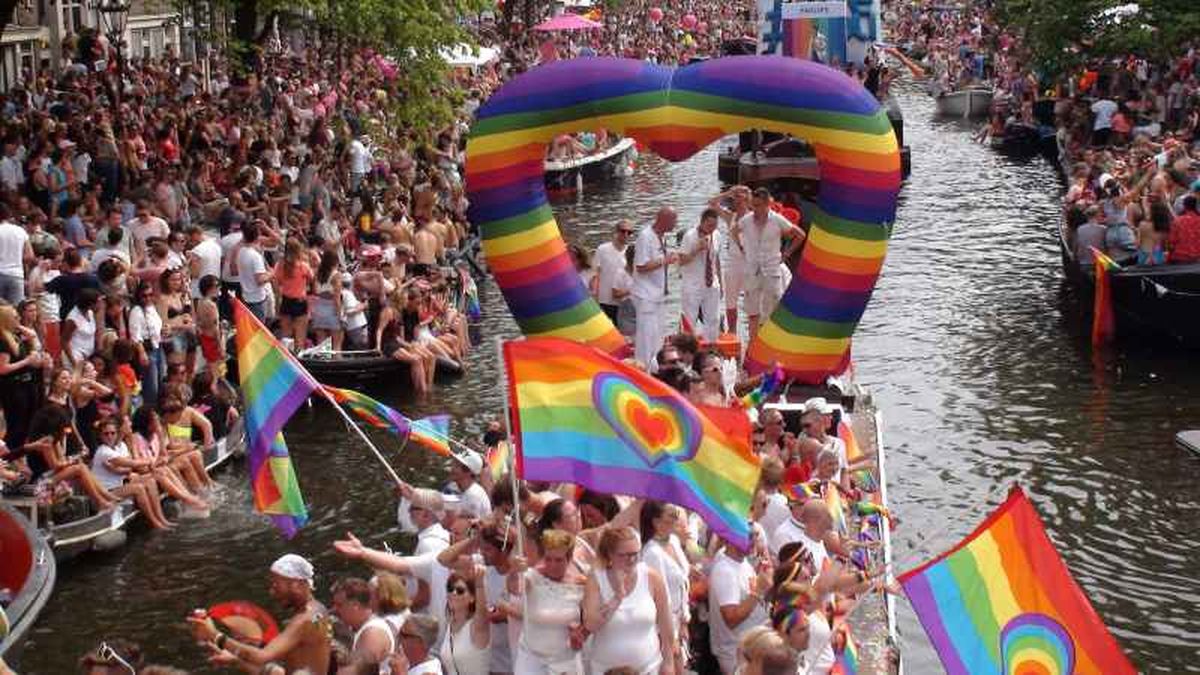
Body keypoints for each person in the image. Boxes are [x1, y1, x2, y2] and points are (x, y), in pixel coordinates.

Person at [188, 553, 333, 674]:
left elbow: (261, 657)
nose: (272, 592)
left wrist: (214, 635)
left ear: (295, 585)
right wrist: (235, 660)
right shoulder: (318, 610)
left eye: (276, 586)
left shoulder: (303, 621)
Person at [583, 526, 675, 675]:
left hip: (649, 667)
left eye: (635, 554)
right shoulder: (596, 579)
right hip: (606, 669)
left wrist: (669, 662)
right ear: (609, 555)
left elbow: (666, 626)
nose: (631, 560)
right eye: (624, 555)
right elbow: (590, 625)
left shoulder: (652, 577)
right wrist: (618, 597)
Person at [507, 529, 587, 675]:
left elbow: (588, 618)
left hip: (566, 661)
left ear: (569, 558)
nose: (552, 565)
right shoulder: (532, 577)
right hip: (531, 659)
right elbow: (515, 589)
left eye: (558, 560)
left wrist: (582, 631)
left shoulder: (581, 583)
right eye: (548, 559)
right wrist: (513, 571)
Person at [739, 188, 805, 341]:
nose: (756, 209)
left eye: (759, 205)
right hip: (752, 270)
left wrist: (787, 253)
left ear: (767, 204)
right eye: (753, 205)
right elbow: (734, 231)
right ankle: (753, 346)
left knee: (773, 309)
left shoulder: (777, 219)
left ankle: (772, 342)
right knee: (753, 312)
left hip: (772, 268)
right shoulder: (747, 220)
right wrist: (743, 247)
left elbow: (800, 234)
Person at [90, 416, 174, 530]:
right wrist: (150, 461)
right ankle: (155, 522)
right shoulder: (103, 451)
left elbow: (128, 468)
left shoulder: (117, 447)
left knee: (150, 481)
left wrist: (124, 469)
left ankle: (161, 518)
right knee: (138, 488)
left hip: (120, 484)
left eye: (112, 433)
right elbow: (132, 464)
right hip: (106, 492)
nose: (110, 436)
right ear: (101, 436)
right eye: (106, 434)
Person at [708, 531, 771, 674]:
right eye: (749, 536)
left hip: (752, 649)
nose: (755, 539)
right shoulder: (725, 570)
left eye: (755, 534)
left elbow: (752, 600)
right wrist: (758, 590)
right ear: (730, 538)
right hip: (737, 655)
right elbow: (731, 619)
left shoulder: (743, 563)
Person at [639, 501, 691, 674]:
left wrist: (684, 619)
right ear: (656, 522)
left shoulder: (674, 541)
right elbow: (660, 598)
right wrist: (670, 636)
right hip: (663, 626)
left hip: (679, 620)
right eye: (672, 516)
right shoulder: (651, 553)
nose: (677, 519)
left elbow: (682, 582)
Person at [633, 207, 678, 369]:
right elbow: (641, 266)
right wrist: (665, 260)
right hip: (646, 295)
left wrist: (667, 259)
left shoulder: (662, 237)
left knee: (658, 336)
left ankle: (656, 371)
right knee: (646, 338)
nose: (676, 224)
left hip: (658, 295)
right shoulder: (645, 237)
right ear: (663, 220)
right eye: (674, 220)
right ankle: (643, 371)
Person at [331, 577, 395, 673]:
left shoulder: (372, 633)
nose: (334, 609)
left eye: (339, 605)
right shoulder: (364, 629)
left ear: (355, 606)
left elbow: (362, 672)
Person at [679, 208, 724, 342]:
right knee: (689, 319)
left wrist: (721, 284)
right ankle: (688, 350)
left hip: (711, 283)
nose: (712, 229)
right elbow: (681, 261)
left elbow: (716, 260)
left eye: (715, 226)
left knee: (713, 318)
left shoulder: (717, 235)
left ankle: (711, 347)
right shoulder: (689, 236)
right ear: (702, 222)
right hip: (693, 284)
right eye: (710, 225)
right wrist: (696, 249)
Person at [439, 566, 491, 675]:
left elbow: (482, 611)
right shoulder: (449, 626)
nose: (453, 593)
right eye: (450, 589)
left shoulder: (477, 626)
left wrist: (479, 584)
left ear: (472, 598)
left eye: (460, 590)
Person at [273, 238, 313, 351]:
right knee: (300, 337)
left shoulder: (279, 266)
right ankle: (300, 361)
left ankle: (286, 359)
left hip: (285, 301)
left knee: (286, 336)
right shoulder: (303, 266)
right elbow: (312, 279)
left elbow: (276, 284)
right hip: (300, 301)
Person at [595, 221, 634, 322]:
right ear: (616, 232)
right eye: (623, 231)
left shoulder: (630, 252)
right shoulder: (602, 249)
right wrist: (595, 298)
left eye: (629, 232)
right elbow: (596, 274)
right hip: (605, 300)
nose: (626, 234)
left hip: (624, 302)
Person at [236, 220, 272, 321]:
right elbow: (260, 280)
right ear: (257, 236)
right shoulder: (255, 256)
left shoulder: (241, 251)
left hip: (246, 297)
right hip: (257, 300)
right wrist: (272, 274)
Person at [0, 203, 33, 304]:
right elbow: (30, 256)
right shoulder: (20, 230)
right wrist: (15, 258)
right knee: (17, 312)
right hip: (16, 275)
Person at [449, 451, 491, 519]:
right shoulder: (463, 489)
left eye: (456, 466)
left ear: (469, 472)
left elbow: (466, 527)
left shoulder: (472, 495)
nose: (452, 468)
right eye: (454, 464)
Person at [1169, 195, 1200, 264]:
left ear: (1184, 206)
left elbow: (1172, 242)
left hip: (1180, 258)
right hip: (1197, 259)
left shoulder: (1178, 221)